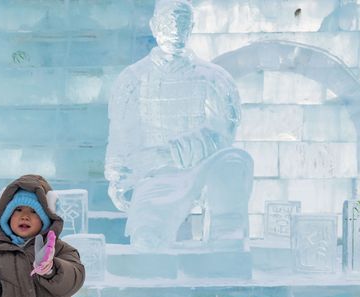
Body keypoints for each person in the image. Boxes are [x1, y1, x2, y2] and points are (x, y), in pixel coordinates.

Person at [105, 0, 251, 249]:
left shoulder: (214, 78)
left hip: (203, 170)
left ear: (191, 26)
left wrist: (170, 152)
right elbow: (121, 134)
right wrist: (117, 175)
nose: (174, 30)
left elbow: (222, 133)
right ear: (154, 26)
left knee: (236, 160)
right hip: (158, 177)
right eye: (166, 22)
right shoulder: (133, 79)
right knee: (149, 241)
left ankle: (226, 235)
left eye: (181, 22)